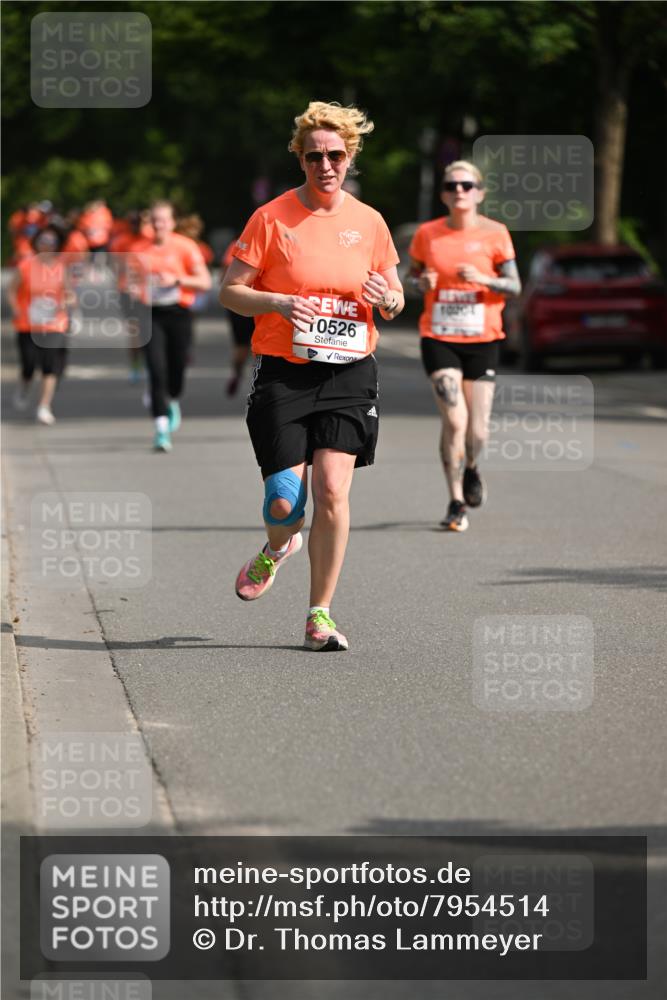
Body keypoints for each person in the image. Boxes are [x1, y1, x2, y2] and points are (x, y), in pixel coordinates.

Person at [220, 100, 404, 651]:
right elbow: (230, 291)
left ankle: (318, 614)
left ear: (350, 157)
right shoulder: (272, 218)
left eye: (337, 155)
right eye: (315, 156)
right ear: (300, 159)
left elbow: (394, 296)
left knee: (331, 489)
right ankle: (277, 547)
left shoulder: (369, 222)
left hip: (350, 371)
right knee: (284, 504)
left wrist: (388, 297)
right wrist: (276, 301)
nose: (326, 165)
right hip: (285, 372)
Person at [408, 160, 521, 531]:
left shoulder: (496, 233)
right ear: (443, 193)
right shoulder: (427, 234)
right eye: (453, 185)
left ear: (479, 193)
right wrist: (421, 283)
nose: (460, 191)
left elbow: (515, 285)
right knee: (454, 420)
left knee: (478, 431)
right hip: (439, 336)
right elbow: (411, 279)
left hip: (483, 339)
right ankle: (456, 500)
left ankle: (472, 467)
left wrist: (486, 279)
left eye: (467, 185)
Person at [129, 200, 212, 451]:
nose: (158, 225)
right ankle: (161, 429)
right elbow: (128, 282)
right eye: (154, 220)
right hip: (150, 314)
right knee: (156, 370)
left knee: (176, 369)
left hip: (179, 313)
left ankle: (173, 397)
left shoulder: (185, 247)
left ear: (172, 222)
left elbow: (205, 282)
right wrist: (134, 290)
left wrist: (176, 279)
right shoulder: (137, 249)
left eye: (163, 220)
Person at [8, 224, 70, 425]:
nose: (47, 245)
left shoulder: (62, 267)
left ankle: (44, 406)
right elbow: (11, 289)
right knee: (28, 364)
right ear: (37, 243)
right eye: (43, 241)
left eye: (51, 242)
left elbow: (71, 295)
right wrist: (16, 307)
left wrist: (65, 302)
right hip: (28, 324)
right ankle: (24, 386)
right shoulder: (26, 265)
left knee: (49, 365)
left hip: (54, 324)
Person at [220, 236, 254, 396]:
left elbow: (224, 274)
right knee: (244, 346)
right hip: (244, 302)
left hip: (261, 303)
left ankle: (238, 373)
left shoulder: (237, 243)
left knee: (245, 346)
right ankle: (239, 373)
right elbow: (226, 273)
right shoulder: (239, 244)